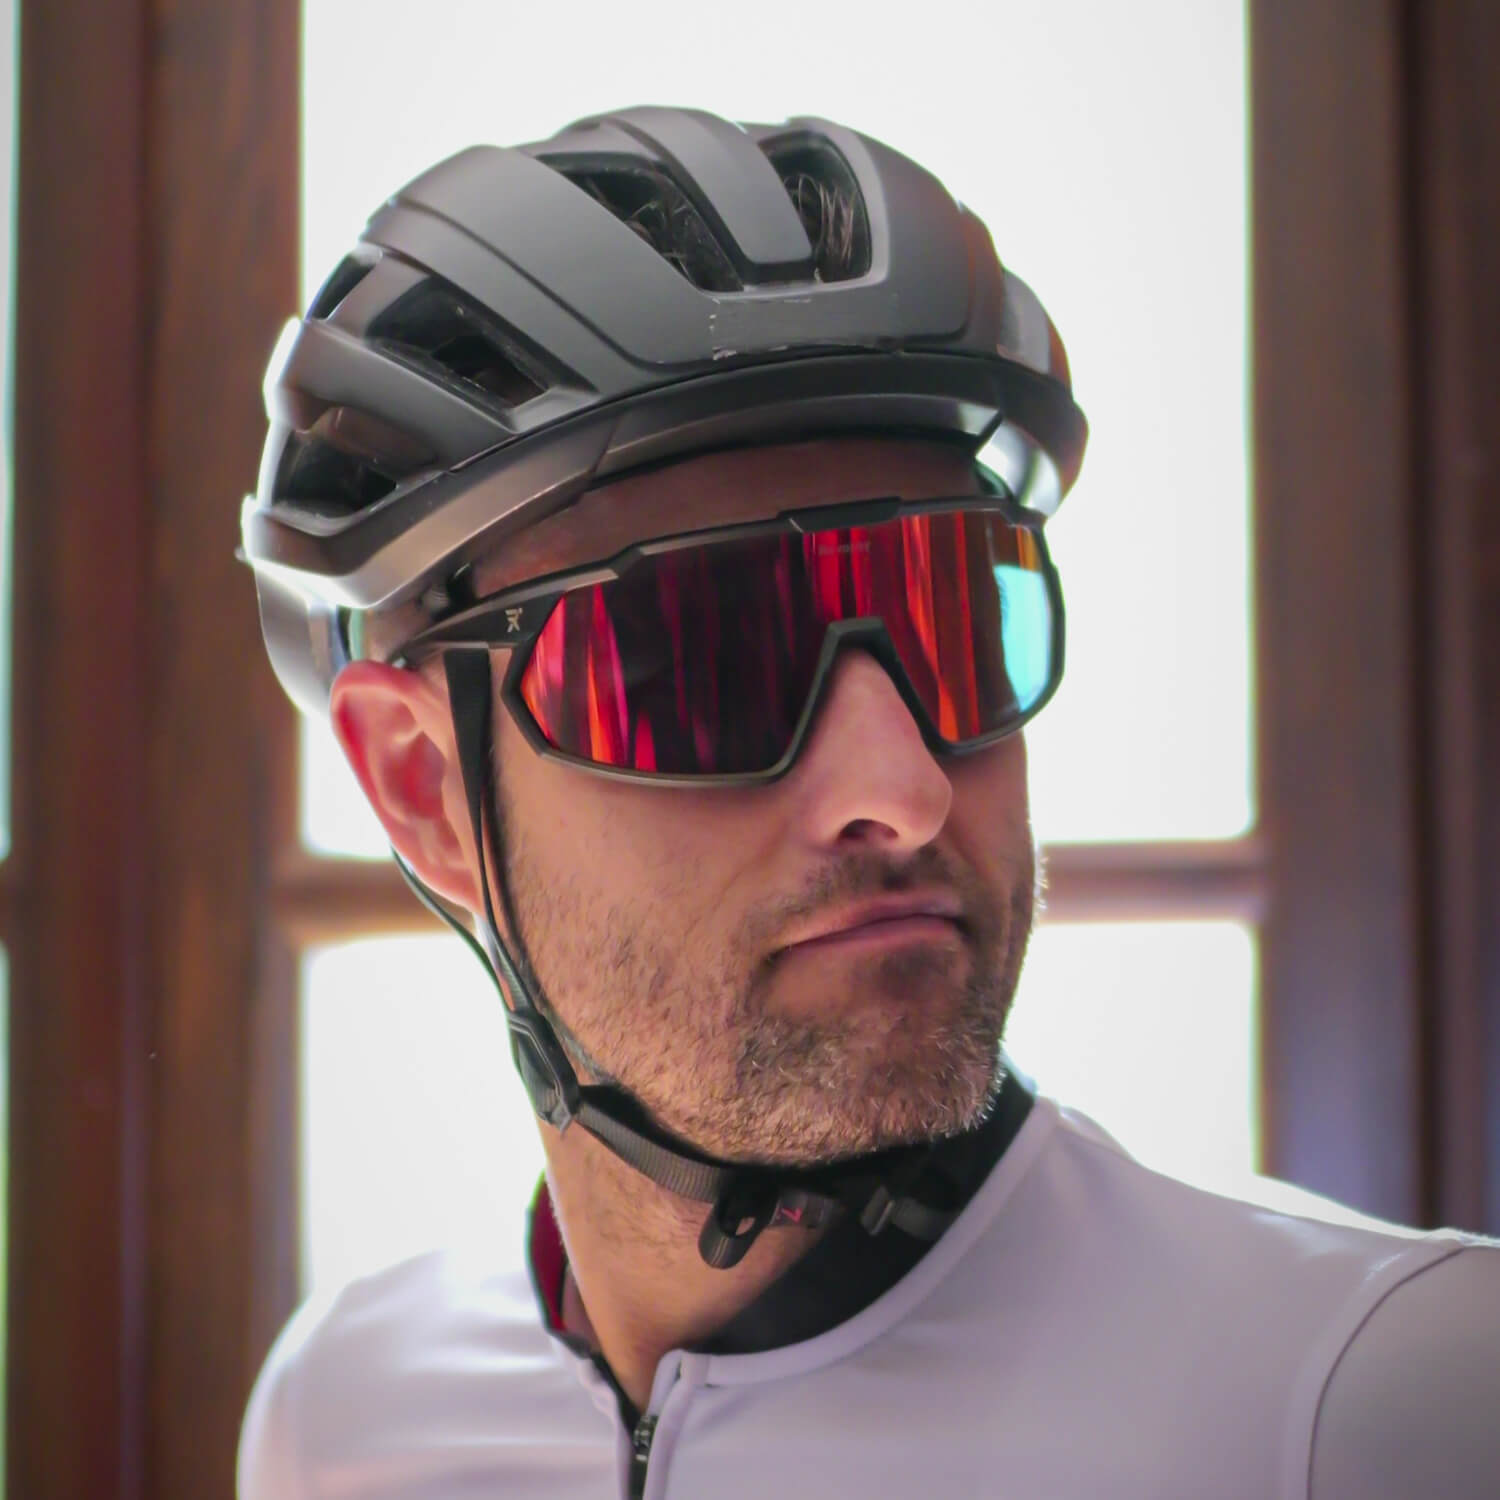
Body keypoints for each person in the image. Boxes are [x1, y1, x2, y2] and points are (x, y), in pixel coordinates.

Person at [237, 107, 1499, 1499]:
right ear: (423, 789)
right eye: (705, 663)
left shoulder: (1384, 1403)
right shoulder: (340, 1421)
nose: (903, 791)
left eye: (953, 623)